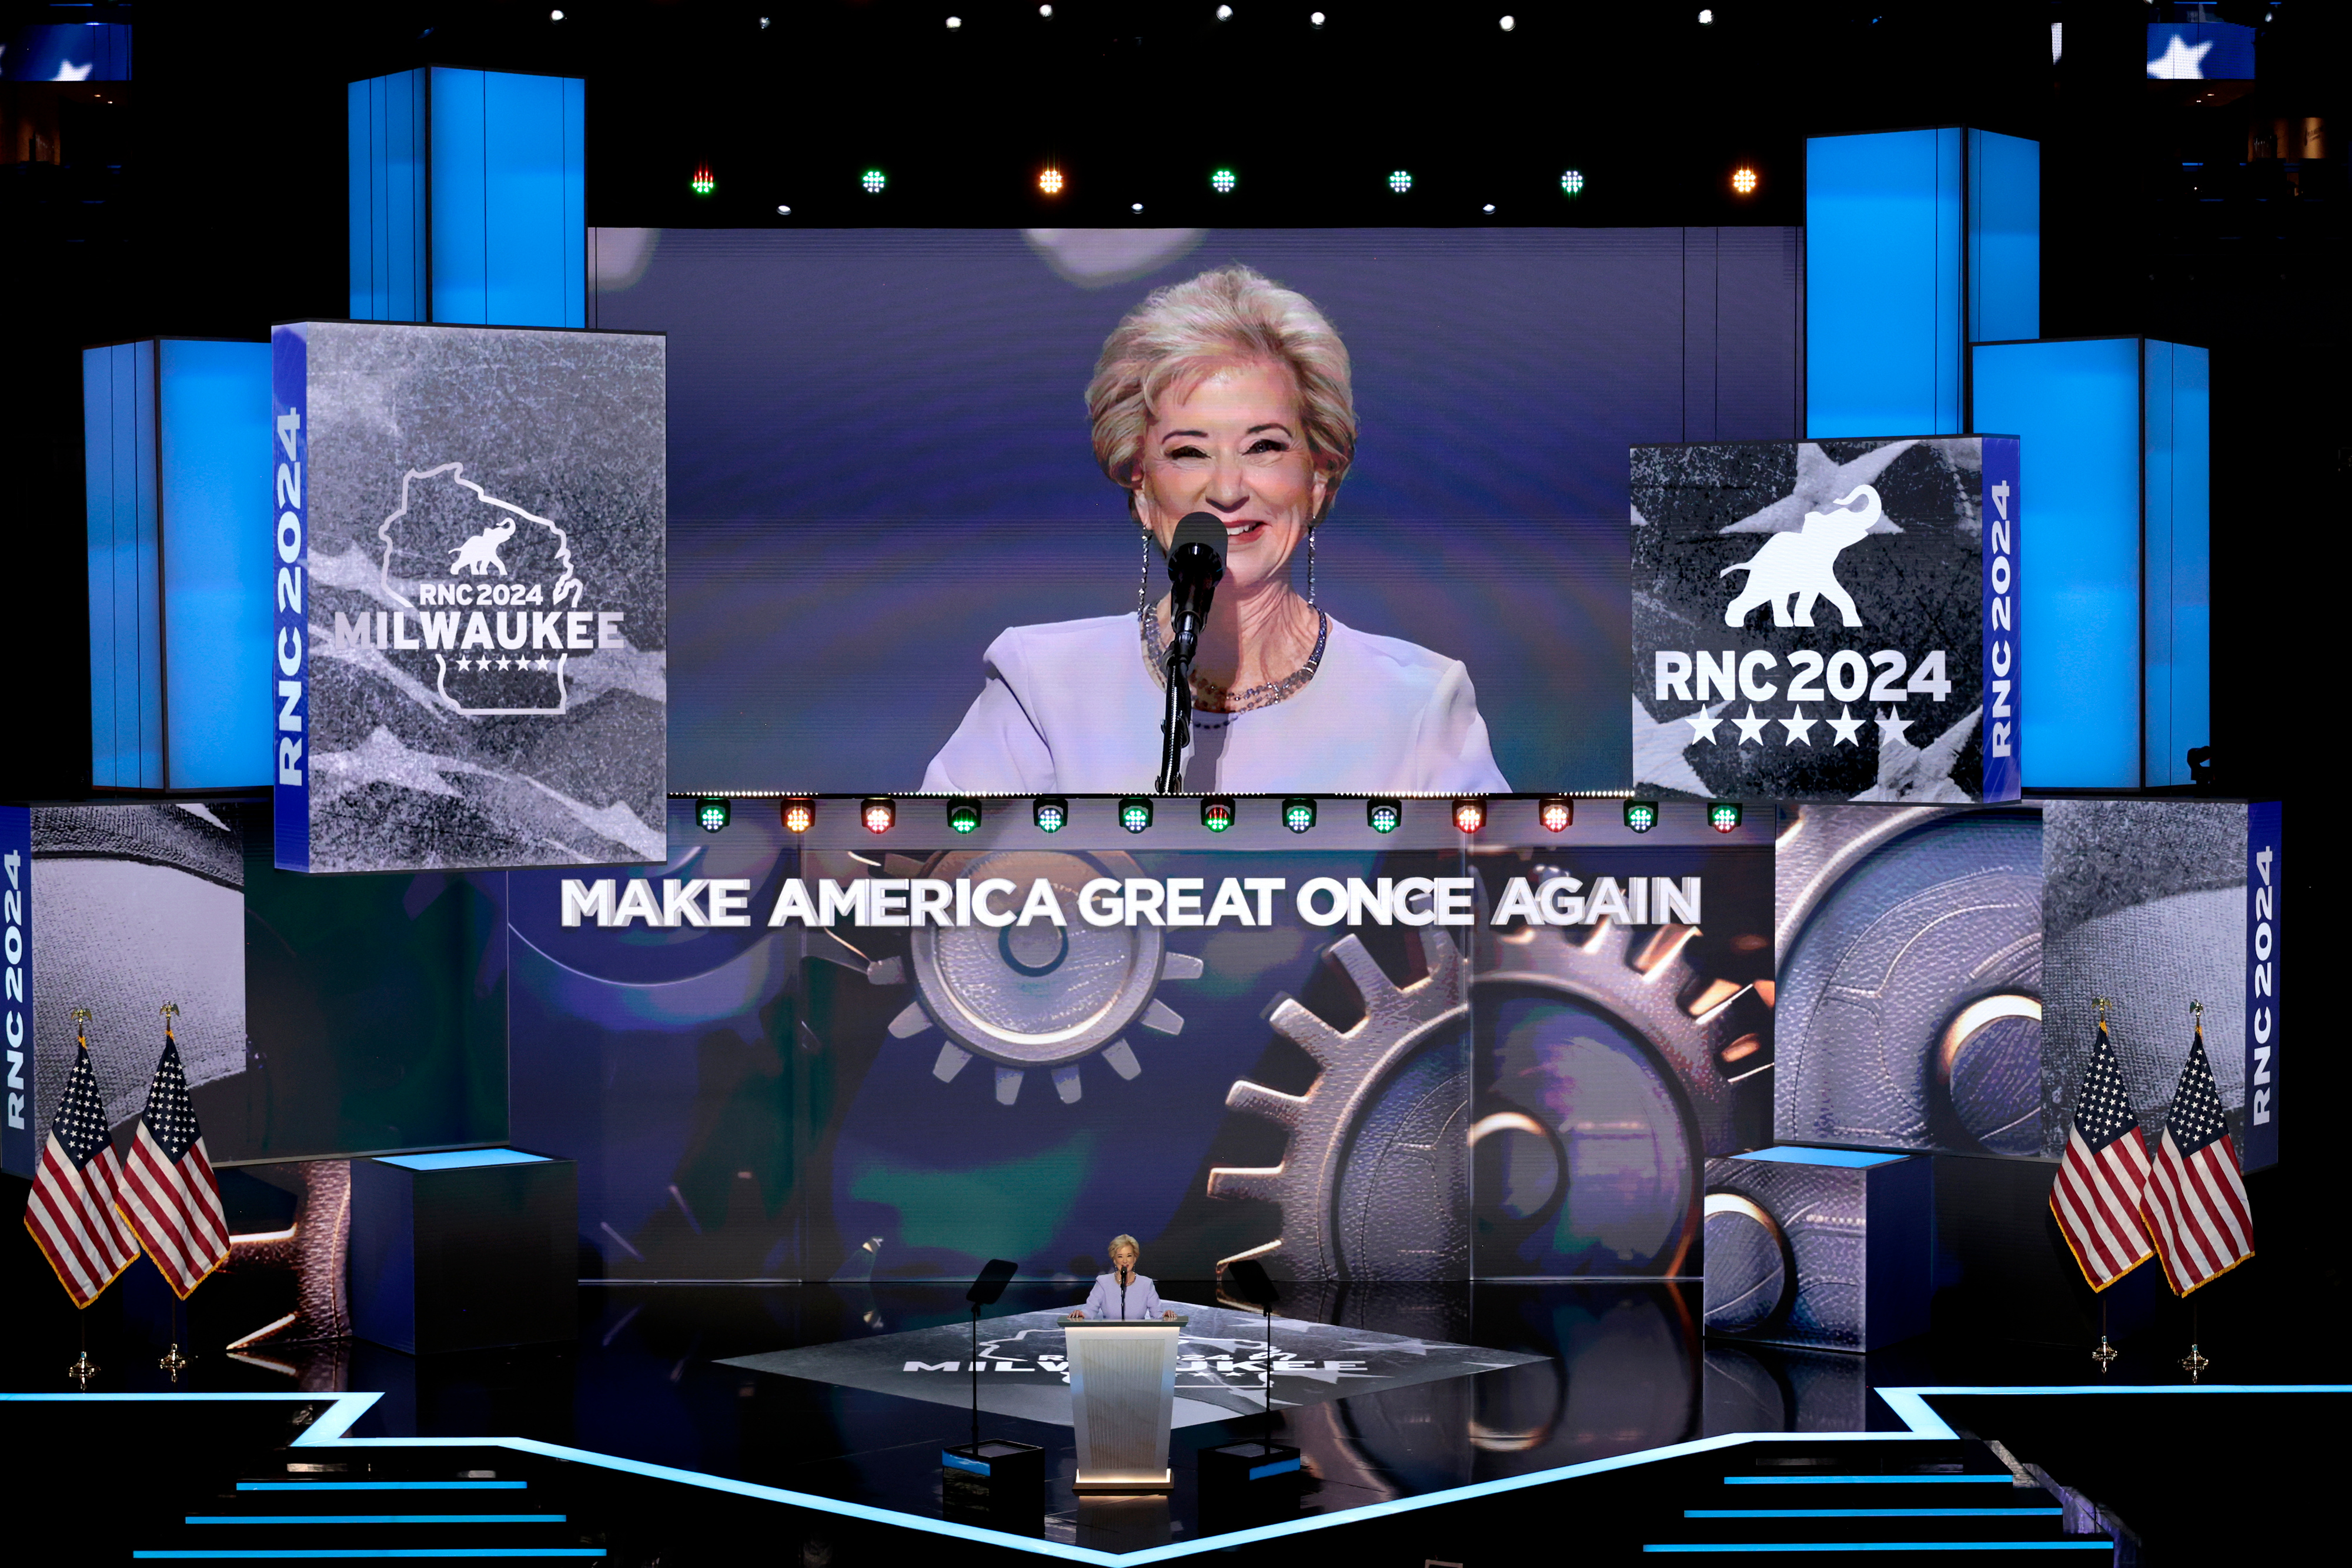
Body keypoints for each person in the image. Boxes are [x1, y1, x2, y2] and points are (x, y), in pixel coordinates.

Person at [921, 263, 1510, 795]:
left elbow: (1490, 898)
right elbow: (935, 882)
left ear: (1319, 476)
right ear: (1140, 486)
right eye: (1188, 452)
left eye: (1264, 446)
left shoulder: (1417, 706)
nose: (1228, 489)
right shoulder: (1044, 686)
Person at [1069, 1233, 1176, 1322]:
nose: (1125, 1261)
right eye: (1120, 1256)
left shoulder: (1146, 1284)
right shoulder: (1103, 1282)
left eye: (1129, 1256)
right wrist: (1082, 1314)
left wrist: (1166, 1316)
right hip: (1109, 1338)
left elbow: (1157, 1315)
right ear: (1115, 1260)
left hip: (1139, 1339)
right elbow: (1090, 1310)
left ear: (1135, 1258)